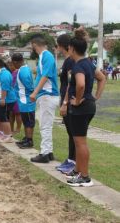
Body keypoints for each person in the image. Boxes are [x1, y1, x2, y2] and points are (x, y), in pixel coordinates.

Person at [65, 29, 106, 187]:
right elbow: (102, 78)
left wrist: (78, 100)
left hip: (81, 107)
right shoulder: (89, 63)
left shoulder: (78, 67)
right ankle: (78, 170)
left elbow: (80, 84)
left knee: (81, 142)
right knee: (78, 141)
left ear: (72, 49)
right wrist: (96, 96)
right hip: (88, 105)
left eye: (69, 48)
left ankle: (85, 177)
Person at [29, 35, 59, 163]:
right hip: (46, 95)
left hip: (47, 94)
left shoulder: (46, 56)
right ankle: (49, 152)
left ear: (35, 45)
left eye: (32, 47)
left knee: (45, 126)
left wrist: (34, 93)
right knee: (46, 124)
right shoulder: (44, 56)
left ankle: (44, 153)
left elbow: (45, 76)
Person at [55, 34, 77, 174]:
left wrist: (65, 102)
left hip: (68, 100)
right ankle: (70, 159)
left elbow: (70, 83)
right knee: (70, 132)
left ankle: (73, 161)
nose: (57, 48)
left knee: (74, 133)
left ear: (62, 45)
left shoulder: (70, 61)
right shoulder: (68, 61)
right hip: (65, 98)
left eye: (57, 45)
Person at [12, 53, 36, 149]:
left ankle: (30, 140)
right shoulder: (22, 69)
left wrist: (32, 94)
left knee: (29, 122)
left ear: (16, 62)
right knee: (26, 121)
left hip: (27, 101)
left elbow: (29, 86)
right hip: (23, 101)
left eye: (13, 63)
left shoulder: (24, 71)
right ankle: (26, 138)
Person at [0, 57, 16, 143]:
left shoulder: (4, 74)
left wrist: (2, 99)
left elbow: (5, 88)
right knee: (2, 117)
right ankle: (4, 134)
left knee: (4, 118)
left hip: (6, 100)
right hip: (1, 99)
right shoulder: (0, 73)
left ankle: (9, 136)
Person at [9, 60, 22, 134]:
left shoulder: (18, 72)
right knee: (11, 113)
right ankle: (11, 128)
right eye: (9, 65)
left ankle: (18, 128)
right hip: (11, 95)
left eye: (11, 65)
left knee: (17, 113)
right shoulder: (11, 73)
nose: (10, 67)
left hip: (17, 95)